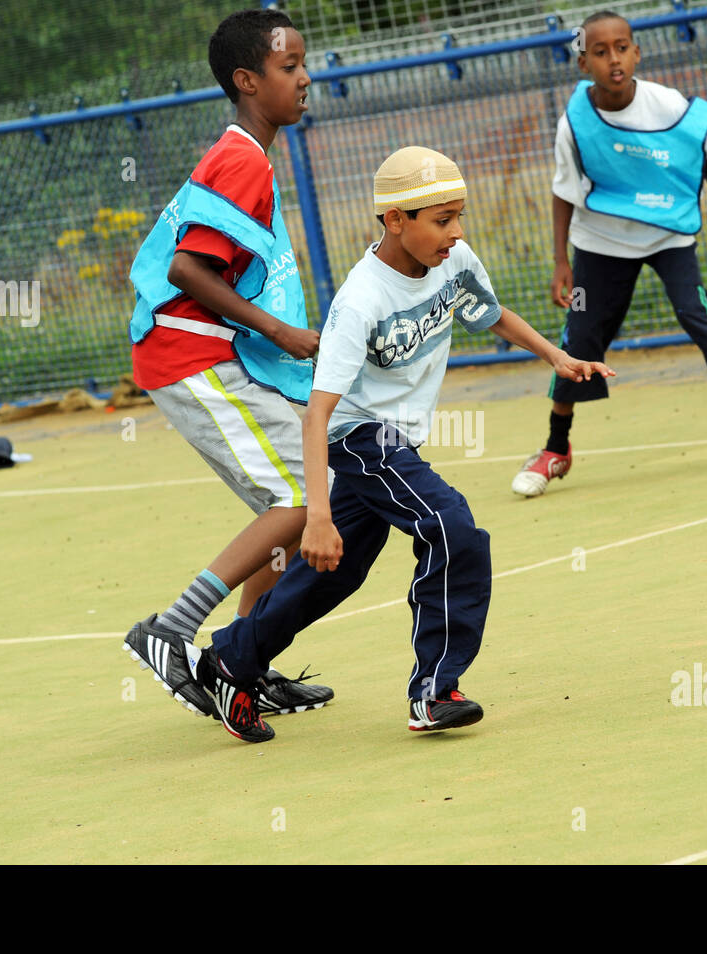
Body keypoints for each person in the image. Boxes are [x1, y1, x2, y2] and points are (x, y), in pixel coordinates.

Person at [195, 146, 614, 743]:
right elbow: (318, 416)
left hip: (398, 443)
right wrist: (316, 515)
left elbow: (490, 313)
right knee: (452, 527)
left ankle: (230, 662)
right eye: (441, 220)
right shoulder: (362, 299)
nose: (456, 231)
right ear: (396, 221)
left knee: (332, 575)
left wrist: (557, 355)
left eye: (458, 216)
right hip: (362, 439)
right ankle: (434, 691)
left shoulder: (453, 260)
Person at [121, 8, 332, 720]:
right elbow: (188, 268)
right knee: (303, 497)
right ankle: (173, 629)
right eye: (288, 67)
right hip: (188, 354)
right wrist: (280, 330)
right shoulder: (242, 157)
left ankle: (243, 665)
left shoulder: (248, 155)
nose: (305, 79)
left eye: (304, 64)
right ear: (247, 81)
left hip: (199, 352)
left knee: (288, 514)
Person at [511, 9, 707, 499]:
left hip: (667, 232)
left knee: (695, 312)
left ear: (637, 53)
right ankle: (555, 449)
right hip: (601, 241)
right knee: (582, 333)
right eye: (600, 51)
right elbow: (563, 192)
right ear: (583, 64)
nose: (613, 58)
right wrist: (560, 261)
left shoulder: (667, 105)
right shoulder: (573, 122)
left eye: (621, 47)